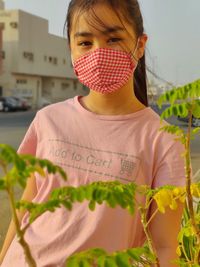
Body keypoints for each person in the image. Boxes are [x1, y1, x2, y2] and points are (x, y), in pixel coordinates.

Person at [0, 0, 185, 266]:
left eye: (113, 39)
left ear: (140, 44)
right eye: (85, 42)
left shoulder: (162, 139)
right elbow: (25, 208)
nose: (99, 53)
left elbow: (165, 246)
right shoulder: (47, 120)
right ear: (71, 49)